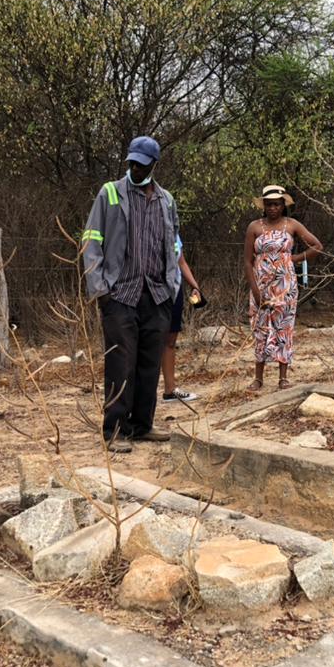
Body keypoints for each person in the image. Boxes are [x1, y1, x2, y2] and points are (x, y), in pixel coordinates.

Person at [82, 135, 180, 453]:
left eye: (142, 165)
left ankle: (142, 425)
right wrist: (100, 289)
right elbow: (91, 240)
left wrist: (173, 285)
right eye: (132, 163)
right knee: (120, 364)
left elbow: (174, 243)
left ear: (154, 165)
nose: (136, 169)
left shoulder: (166, 200)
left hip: (156, 294)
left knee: (149, 364)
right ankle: (115, 430)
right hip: (120, 293)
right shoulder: (110, 192)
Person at [244, 184, 323, 390]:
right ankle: (258, 378)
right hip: (261, 284)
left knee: (284, 327)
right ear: (264, 205)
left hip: (285, 285)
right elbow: (247, 261)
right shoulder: (254, 227)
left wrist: (294, 258)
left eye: (277, 204)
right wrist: (255, 290)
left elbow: (317, 246)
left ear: (283, 205)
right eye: (269, 204)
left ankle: (283, 377)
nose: (273, 208)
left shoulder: (292, 225)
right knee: (260, 328)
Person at [160, 234, 203, 403]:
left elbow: (181, 262)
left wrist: (195, 286)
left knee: (170, 340)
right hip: (154, 289)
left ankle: (170, 390)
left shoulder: (174, 233)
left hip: (174, 290)